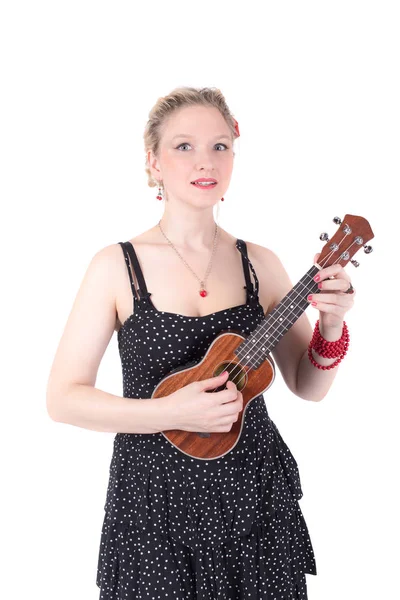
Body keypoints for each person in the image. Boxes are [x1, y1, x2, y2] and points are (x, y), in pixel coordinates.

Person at [46, 86, 355, 599]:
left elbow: (308, 385)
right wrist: (172, 413)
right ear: (154, 161)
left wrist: (330, 328)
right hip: (154, 504)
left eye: (220, 146)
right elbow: (62, 398)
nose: (204, 161)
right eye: (184, 146)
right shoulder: (115, 266)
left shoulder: (261, 264)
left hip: (254, 502)